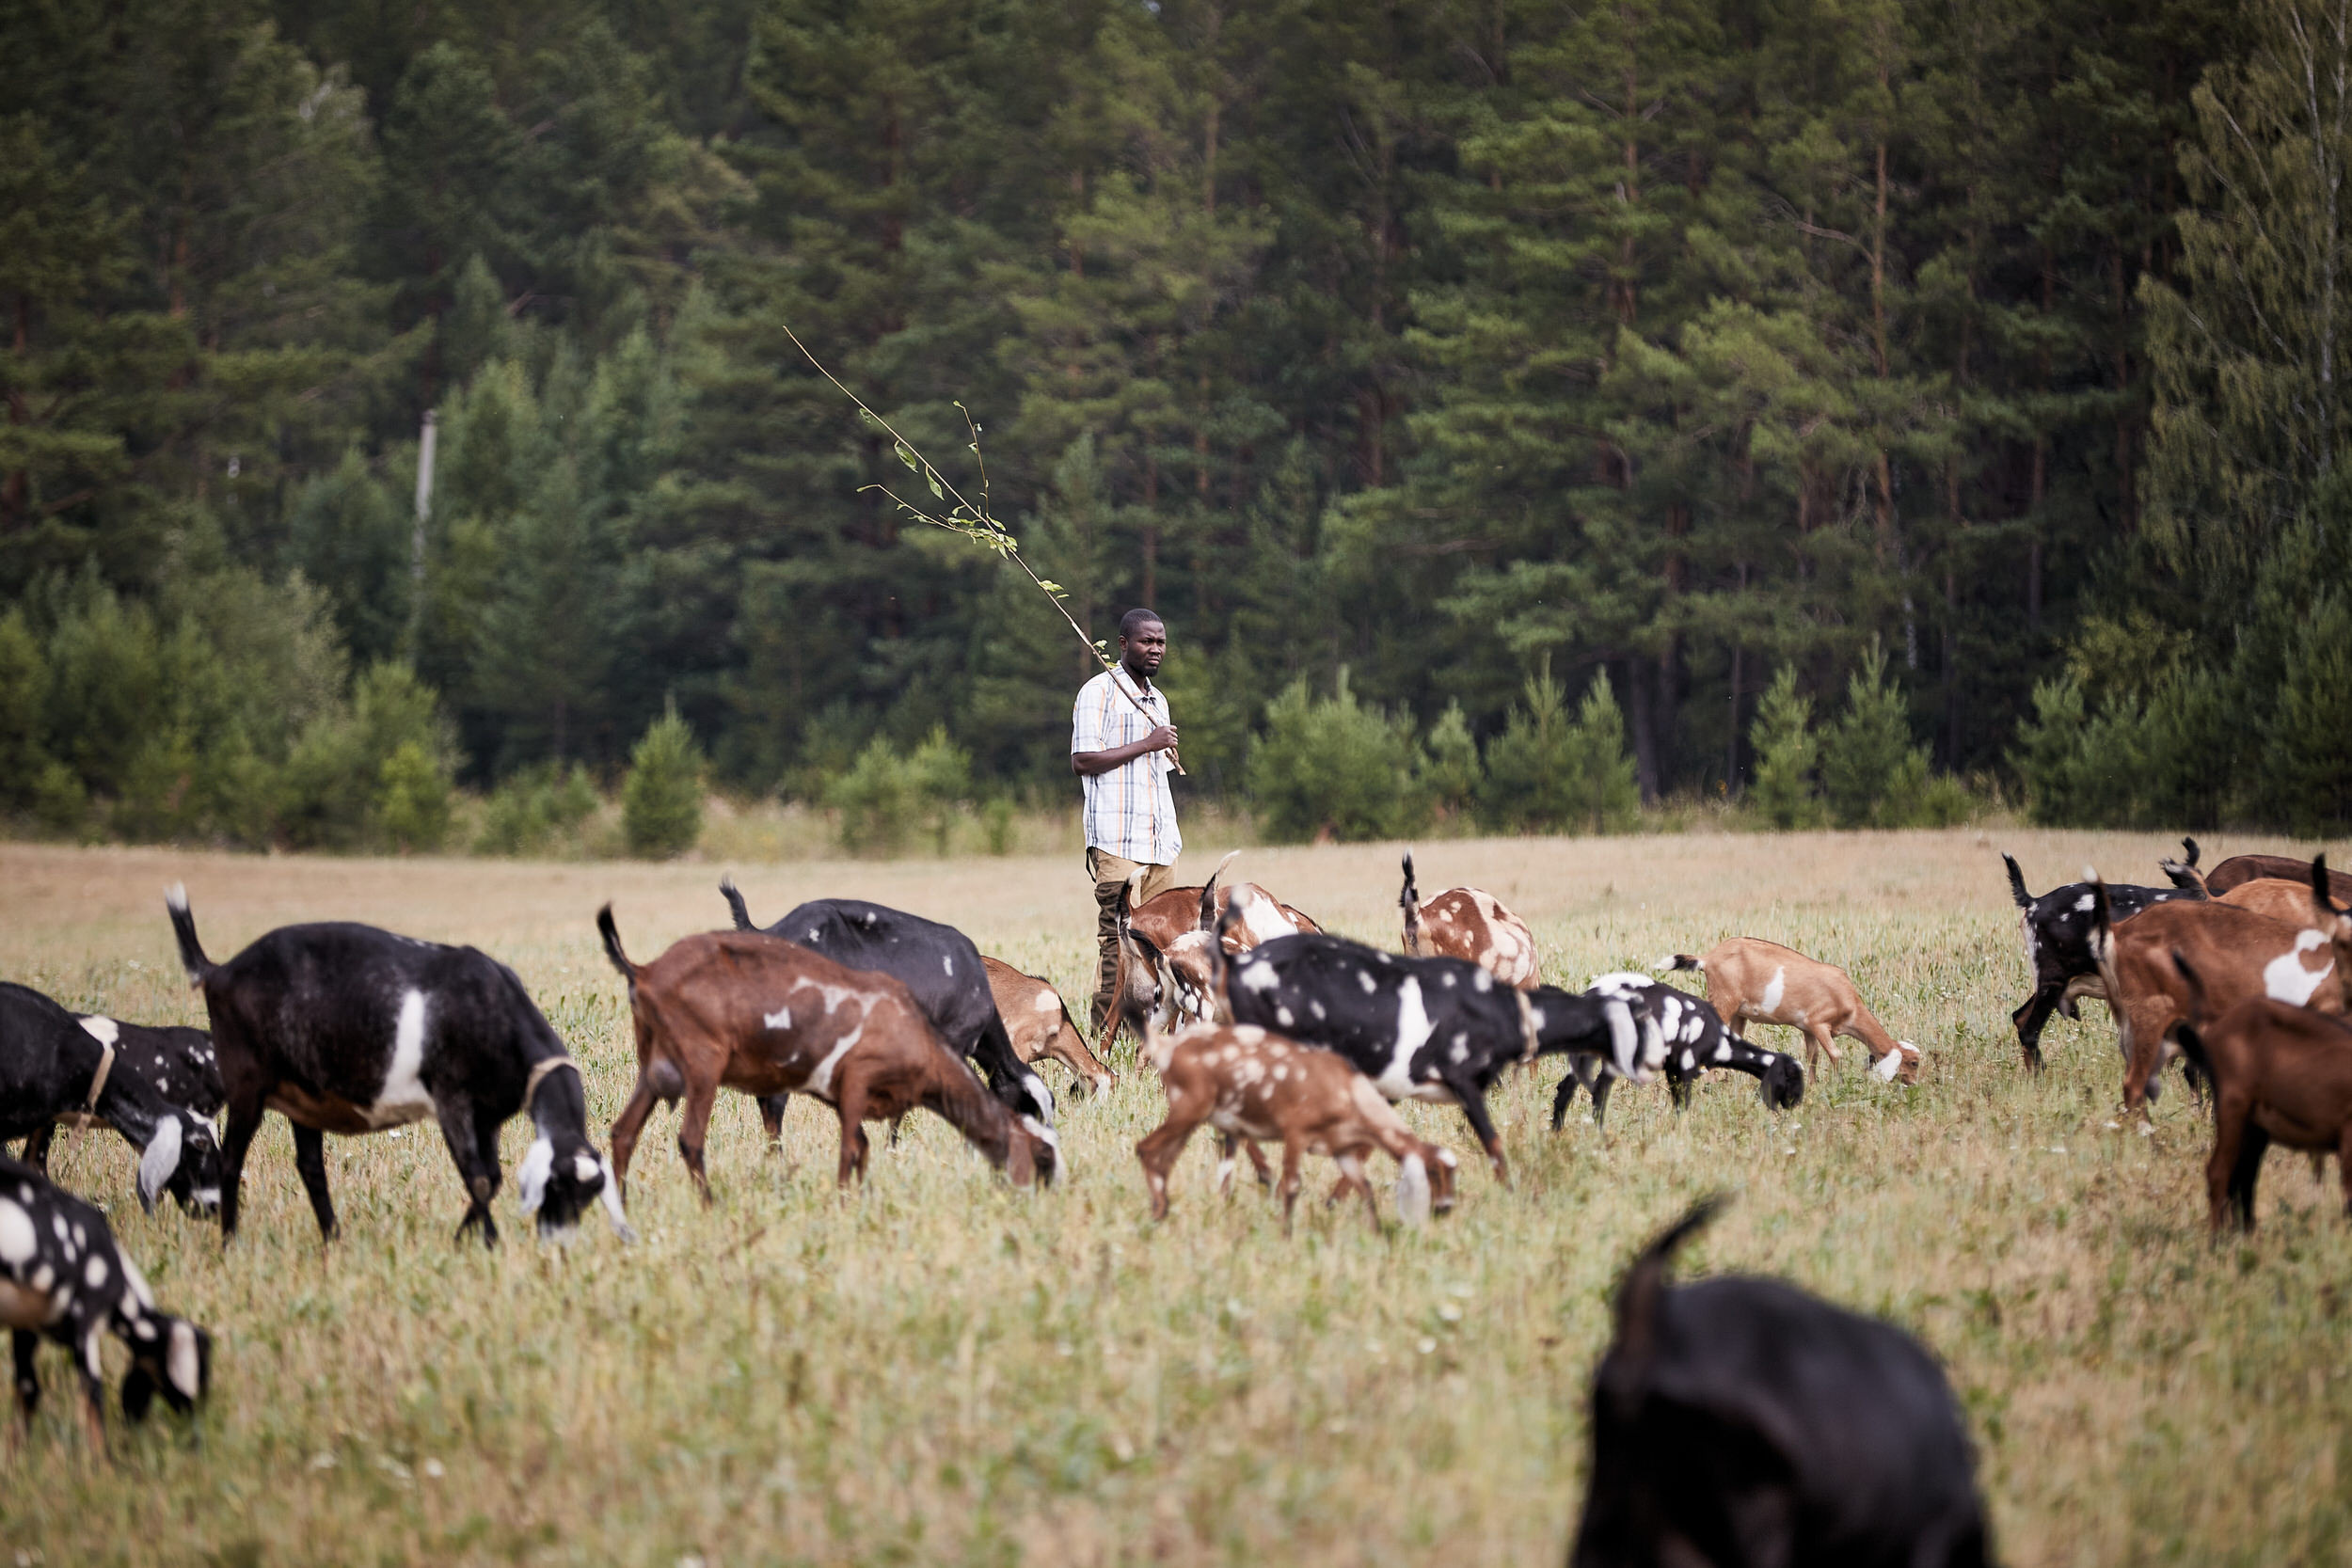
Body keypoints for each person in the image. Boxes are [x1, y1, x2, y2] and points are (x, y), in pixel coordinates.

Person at [1072, 608, 1182, 1031]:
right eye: (1146, 641)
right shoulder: (1097, 692)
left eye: (1160, 642)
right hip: (1117, 845)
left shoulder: (1158, 700)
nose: (1155, 649)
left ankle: (1151, 1041)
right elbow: (1082, 760)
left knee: (1162, 947)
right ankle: (1105, 1039)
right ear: (1123, 644)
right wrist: (1147, 742)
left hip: (1160, 845)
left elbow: (1156, 777)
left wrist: (1162, 748)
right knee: (1119, 949)